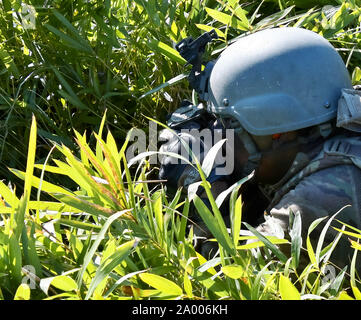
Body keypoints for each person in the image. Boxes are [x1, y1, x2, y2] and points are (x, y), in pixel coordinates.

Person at [158, 27, 361, 271]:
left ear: (278, 133)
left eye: (229, 125)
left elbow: (234, 275)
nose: (217, 134)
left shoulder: (313, 204)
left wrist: (202, 192)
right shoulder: (336, 115)